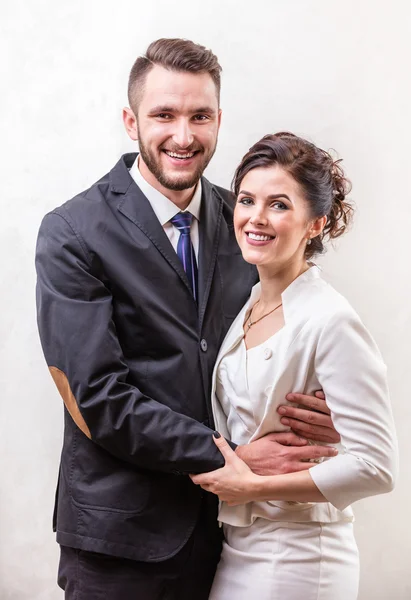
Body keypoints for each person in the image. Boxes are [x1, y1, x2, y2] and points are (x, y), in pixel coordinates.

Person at [35, 40, 340, 600]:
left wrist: (326, 416)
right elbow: (96, 396)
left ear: (219, 119)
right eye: (163, 115)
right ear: (131, 121)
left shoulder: (246, 218)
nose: (183, 136)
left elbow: (290, 338)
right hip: (120, 539)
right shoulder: (73, 232)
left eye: (200, 116)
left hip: (237, 535)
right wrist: (226, 454)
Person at [191, 132, 398, 600]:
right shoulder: (250, 303)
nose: (256, 218)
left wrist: (249, 486)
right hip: (241, 547)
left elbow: (376, 466)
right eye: (246, 200)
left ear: (315, 223)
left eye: (279, 205)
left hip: (302, 554)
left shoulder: (330, 319)